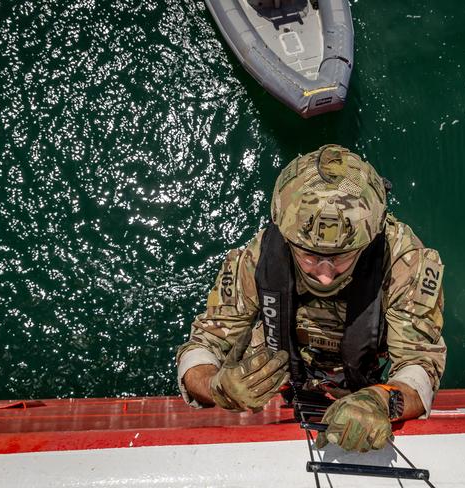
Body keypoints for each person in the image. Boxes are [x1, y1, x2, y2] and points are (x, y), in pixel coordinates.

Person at [176, 144, 446, 453]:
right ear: (287, 238)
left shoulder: (403, 263)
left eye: (341, 257)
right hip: (275, 375)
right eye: (309, 256)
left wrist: (383, 401)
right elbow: (201, 346)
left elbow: (420, 364)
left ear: (369, 240)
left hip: (363, 384)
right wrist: (216, 386)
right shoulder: (257, 258)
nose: (325, 275)